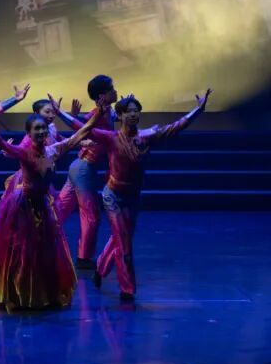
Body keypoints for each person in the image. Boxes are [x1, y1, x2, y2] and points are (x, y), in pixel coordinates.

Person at [62, 90, 211, 302]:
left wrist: (198, 110)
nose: (133, 115)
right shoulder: (112, 138)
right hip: (113, 197)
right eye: (129, 112)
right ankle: (127, 289)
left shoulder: (147, 137)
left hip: (132, 197)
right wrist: (59, 112)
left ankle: (101, 269)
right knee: (124, 243)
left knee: (121, 239)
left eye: (136, 111)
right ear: (120, 115)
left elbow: (176, 127)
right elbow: (83, 128)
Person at [0, 102, 102, 310]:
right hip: (23, 206)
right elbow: (1, 143)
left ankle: (43, 293)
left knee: (45, 249)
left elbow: (81, 133)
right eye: (37, 129)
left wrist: (99, 114)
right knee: (22, 251)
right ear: (29, 133)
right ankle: (17, 294)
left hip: (43, 204)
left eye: (43, 128)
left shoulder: (53, 150)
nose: (41, 132)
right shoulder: (24, 152)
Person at [55, 74, 118, 270]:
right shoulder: (95, 114)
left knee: (60, 209)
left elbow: (112, 118)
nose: (115, 91)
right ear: (102, 96)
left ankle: (38, 237)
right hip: (84, 168)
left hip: (79, 168)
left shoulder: (107, 112)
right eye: (111, 89)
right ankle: (83, 258)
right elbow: (82, 125)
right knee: (91, 214)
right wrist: (69, 115)